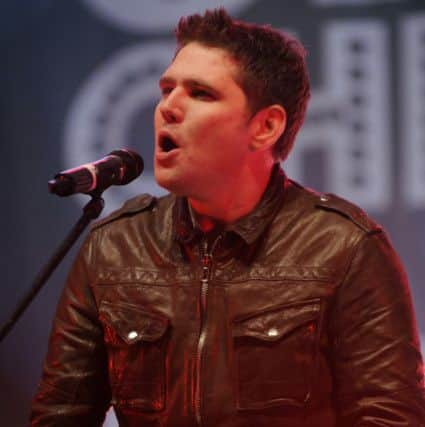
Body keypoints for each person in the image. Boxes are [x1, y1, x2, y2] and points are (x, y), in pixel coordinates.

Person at [30, 8, 425, 427]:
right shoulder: (113, 246)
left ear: (265, 126)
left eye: (200, 93)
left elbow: (391, 418)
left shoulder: (344, 247)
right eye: (166, 89)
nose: (168, 107)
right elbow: (59, 415)